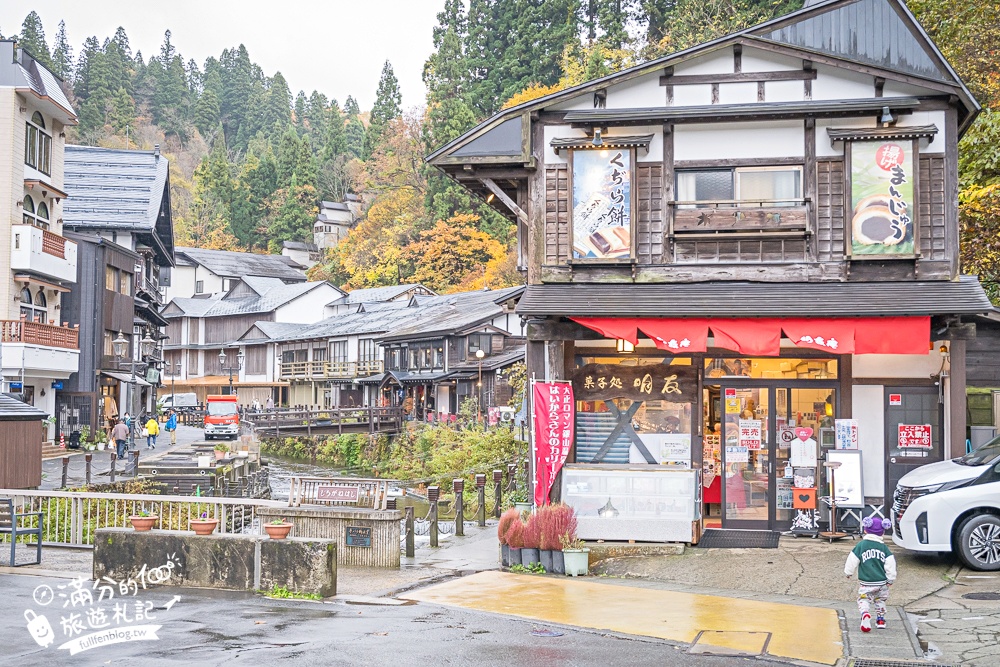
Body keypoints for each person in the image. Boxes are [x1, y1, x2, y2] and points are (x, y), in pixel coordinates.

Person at [845, 516, 897, 632]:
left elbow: (852, 559)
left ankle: (865, 613)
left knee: (864, 599)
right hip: (882, 582)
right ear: (882, 532)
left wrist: (848, 572)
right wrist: (891, 579)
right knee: (880, 600)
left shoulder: (861, 546)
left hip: (866, 583)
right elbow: (890, 564)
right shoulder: (884, 548)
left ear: (865, 530)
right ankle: (880, 620)